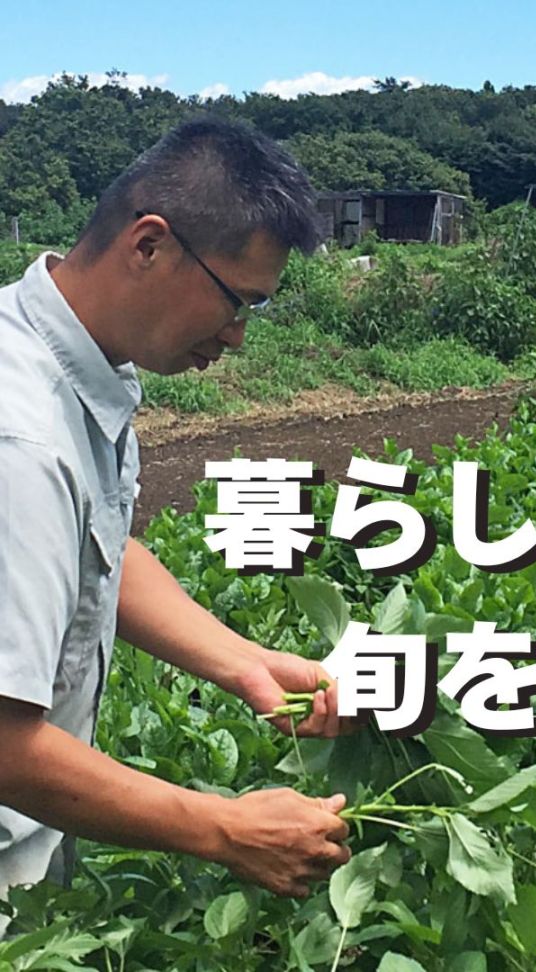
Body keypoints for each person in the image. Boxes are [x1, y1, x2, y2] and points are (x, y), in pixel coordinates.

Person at [0, 117, 351, 931]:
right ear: (149, 245)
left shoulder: (72, 361)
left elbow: (98, 548)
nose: (235, 335)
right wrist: (225, 828)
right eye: (237, 301)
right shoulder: (19, 439)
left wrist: (248, 664)